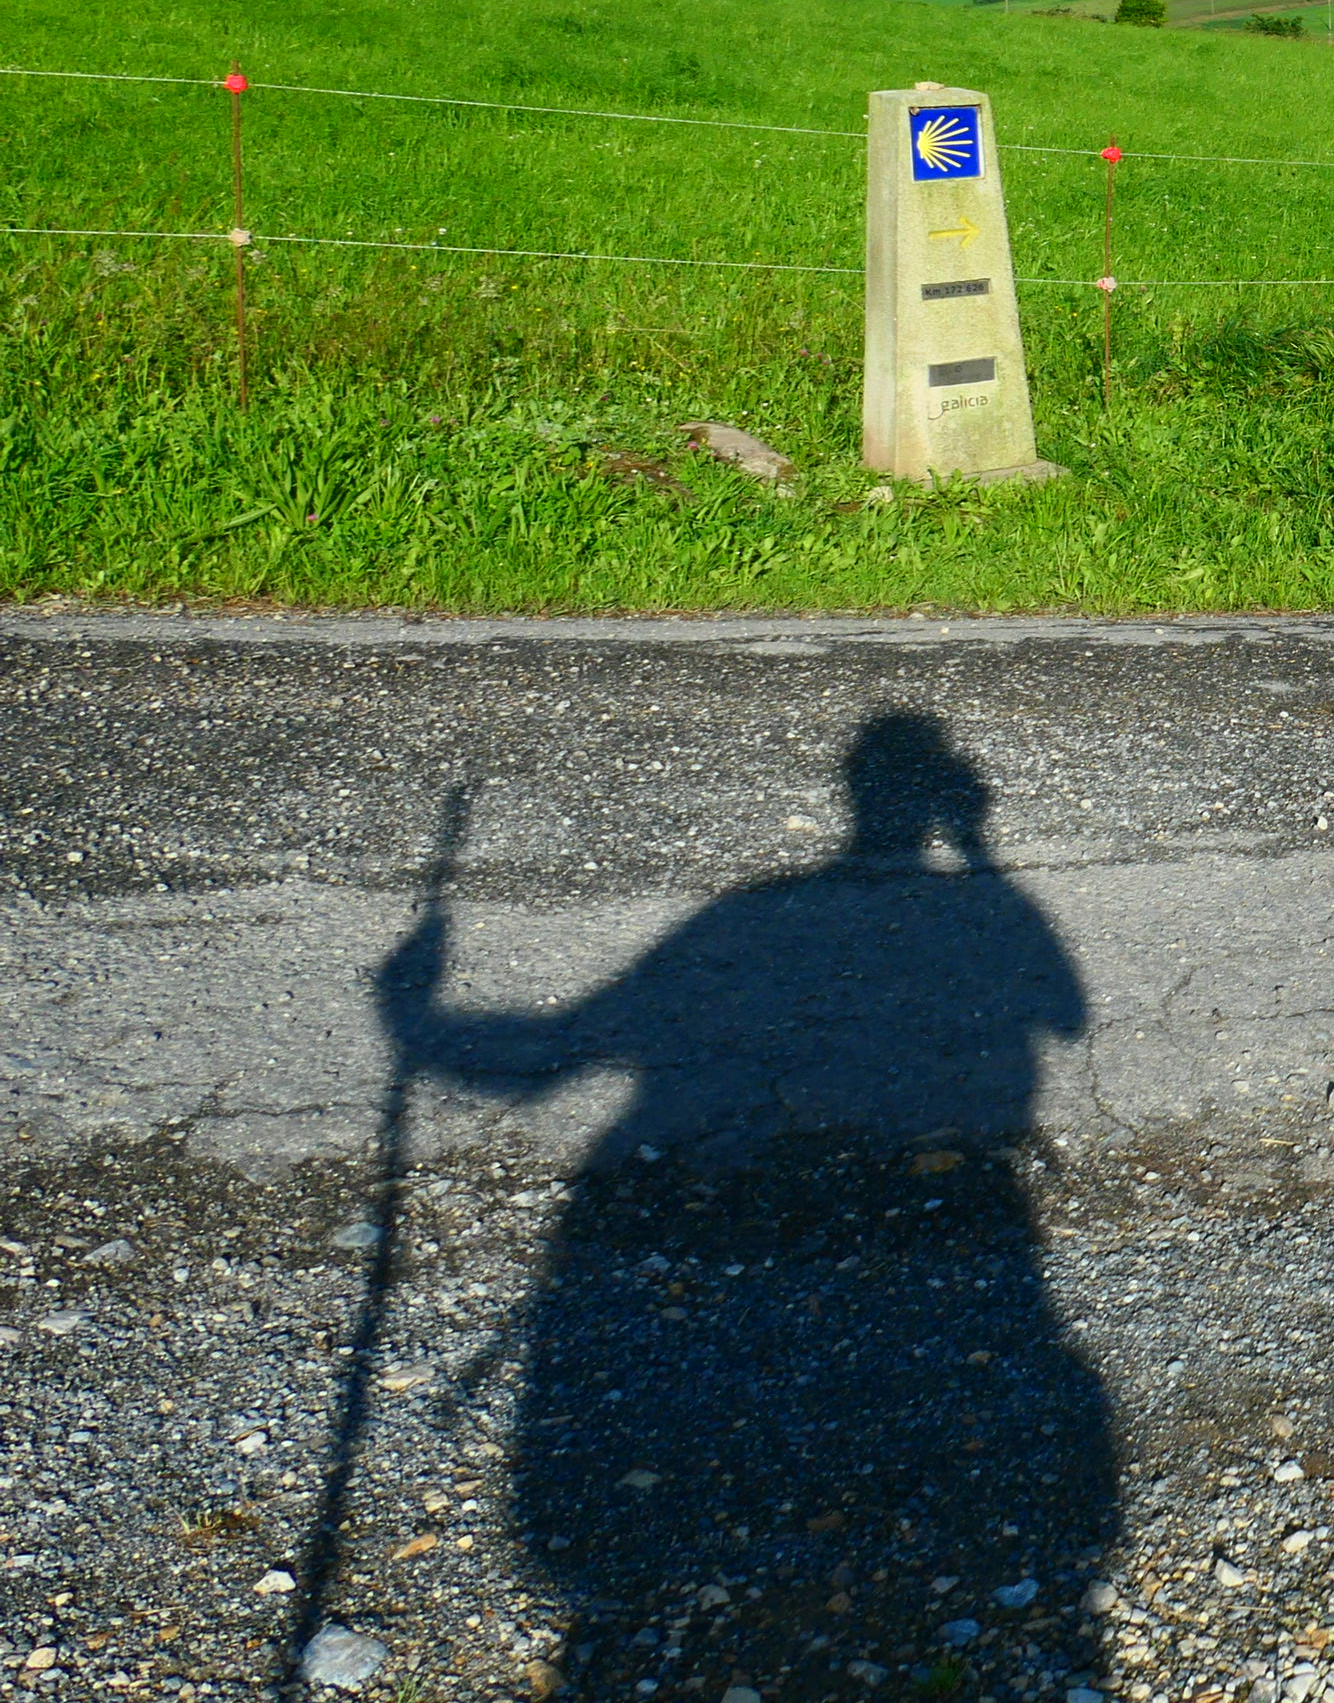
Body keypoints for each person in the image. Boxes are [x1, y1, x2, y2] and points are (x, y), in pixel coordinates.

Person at [383, 713, 1113, 1697]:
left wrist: (415, 1015)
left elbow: (551, 1055)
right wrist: (981, 855)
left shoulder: (759, 912)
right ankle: (874, 1570)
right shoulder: (986, 907)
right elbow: (1065, 1016)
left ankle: (775, 1583)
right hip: (956, 1202)